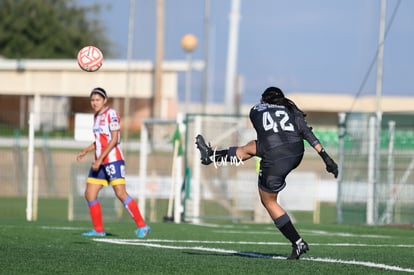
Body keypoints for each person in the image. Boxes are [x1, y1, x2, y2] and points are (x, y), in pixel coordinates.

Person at [195, 86, 338, 260]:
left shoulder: (256, 109)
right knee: (250, 148)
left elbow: (268, 135)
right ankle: (212, 156)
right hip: (296, 151)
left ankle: (298, 242)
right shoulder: (290, 108)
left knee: (269, 201)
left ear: (264, 99)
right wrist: (326, 158)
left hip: (275, 155)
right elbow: (307, 133)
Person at [76, 87, 151, 238]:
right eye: (92, 100)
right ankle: (98, 230)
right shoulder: (96, 116)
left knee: (120, 193)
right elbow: (100, 140)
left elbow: (114, 139)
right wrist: (86, 150)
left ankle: (143, 226)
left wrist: (99, 159)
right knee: (90, 194)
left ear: (105, 100)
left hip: (112, 160)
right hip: (100, 161)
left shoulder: (112, 114)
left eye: (97, 100)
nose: (94, 103)